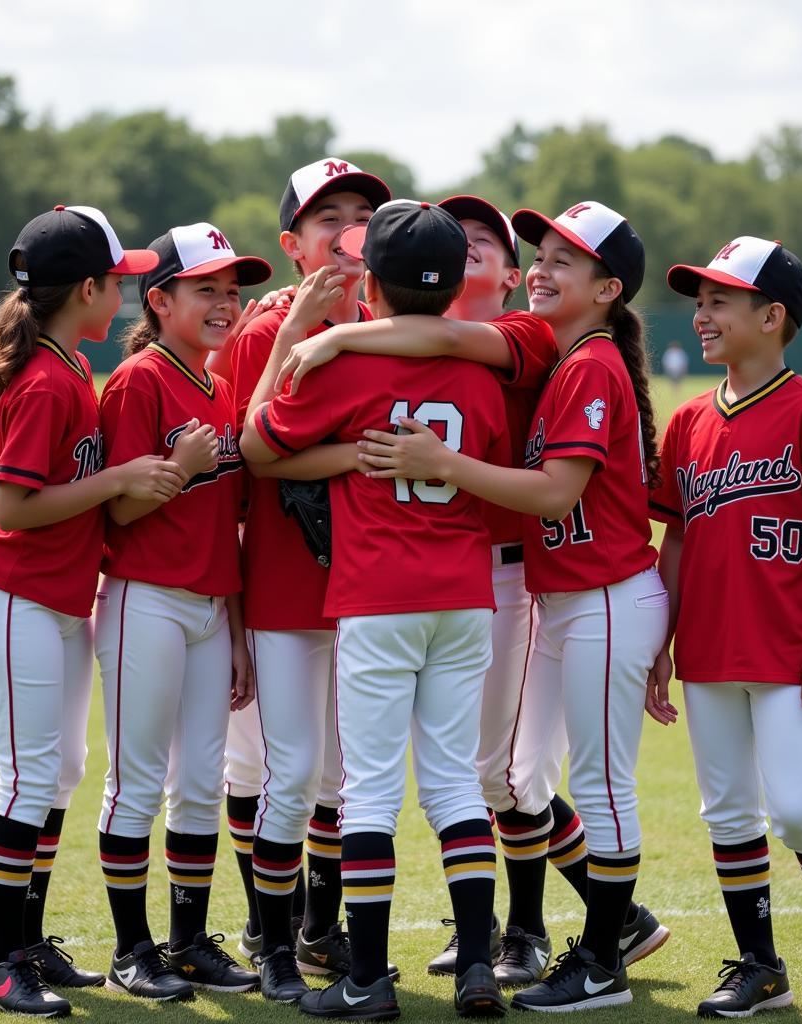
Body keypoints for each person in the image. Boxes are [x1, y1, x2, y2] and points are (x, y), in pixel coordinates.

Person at [278, 195, 669, 987]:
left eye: (495, 244)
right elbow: (436, 333)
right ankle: (557, 931)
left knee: (491, 773)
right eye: (472, 242)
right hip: (498, 580)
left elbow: (548, 484)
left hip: (525, 574)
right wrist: (348, 332)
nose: (511, 259)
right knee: (488, 774)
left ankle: (570, 936)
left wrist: (331, 337)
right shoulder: (504, 340)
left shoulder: (542, 347)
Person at [241, 199, 511, 1020]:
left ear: (376, 286)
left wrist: (301, 342)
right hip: (464, 594)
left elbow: (257, 446)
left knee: (366, 793)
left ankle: (366, 980)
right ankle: (475, 968)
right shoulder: (482, 372)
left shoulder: (347, 366)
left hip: (378, 594)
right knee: (455, 787)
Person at [648, 236, 802, 1023]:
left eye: (721, 298)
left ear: (772, 314)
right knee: (727, 814)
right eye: (701, 298)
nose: (703, 312)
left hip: (791, 652)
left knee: (796, 809)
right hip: (711, 649)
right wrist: (662, 638)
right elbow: (678, 536)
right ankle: (760, 966)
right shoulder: (688, 423)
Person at [0, 205, 182, 1017]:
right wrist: (120, 480)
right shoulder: (49, 380)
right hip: (12, 594)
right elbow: (13, 507)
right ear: (86, 287)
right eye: (117, 279)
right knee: (28, 778)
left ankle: (27, 942)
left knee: (61, 774)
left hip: (49, 599)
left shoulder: (63, 363)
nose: (123, 291)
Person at [217, 157, 394, 1004]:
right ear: (292, 245)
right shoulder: (262, 331)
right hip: (288, 580)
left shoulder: (390, 322)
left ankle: (327, 936)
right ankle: (276, 942)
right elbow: (250, 459)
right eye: (331, 216)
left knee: (347, 778)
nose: (350, 227)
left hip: (367, 583)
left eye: (364, 211)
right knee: (290, 772)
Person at [94, 222, 270, 1002]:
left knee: (199, 781)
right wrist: (178, 467)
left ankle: (190, 940)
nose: (226, 304)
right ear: (159, 299)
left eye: (233, 292)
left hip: (206, 605)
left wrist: (234, 628)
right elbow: (117, 516)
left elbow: (227, 519)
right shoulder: (137, 380)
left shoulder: (221, 385)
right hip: (146, 600)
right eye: (208, 290)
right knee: (136, 781)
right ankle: (133, 949)